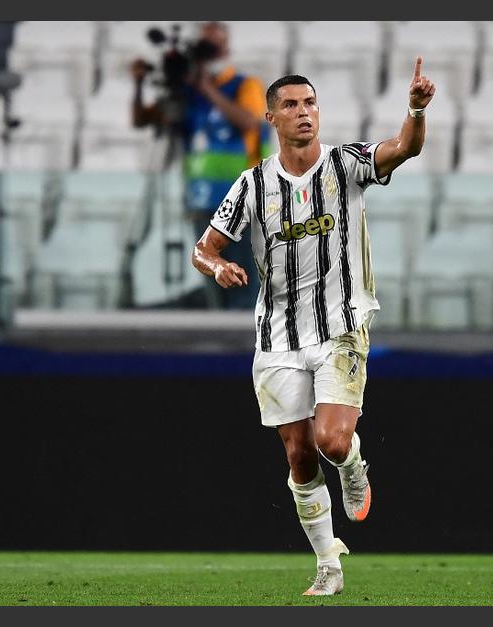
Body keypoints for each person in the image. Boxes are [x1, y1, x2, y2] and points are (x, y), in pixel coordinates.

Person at [191, 57, 436, 595]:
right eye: (292, 106)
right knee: (298, 453)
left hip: (341, 327)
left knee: (330, 440)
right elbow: (203, 249)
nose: (305, 114)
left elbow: (405, 147)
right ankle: (328, 561)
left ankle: (353, 466)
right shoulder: (253, 184)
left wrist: (415, 109)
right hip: (277, 336)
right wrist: (219, 266)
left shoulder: (346, 164)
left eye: (311, 104)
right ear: (272, 118)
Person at [132, 21, 269, 310]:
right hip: (201, 203)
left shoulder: (244, 85)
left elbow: (249, 122)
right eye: (203, 48)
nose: (207, 54)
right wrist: (139, 84)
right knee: (215, 282)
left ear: (226, 49)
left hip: (242, 204)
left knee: (243, 280)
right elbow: (144, 120)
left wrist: (207, 89)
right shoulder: (188, 94)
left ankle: (247, 344)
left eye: (213, 46)